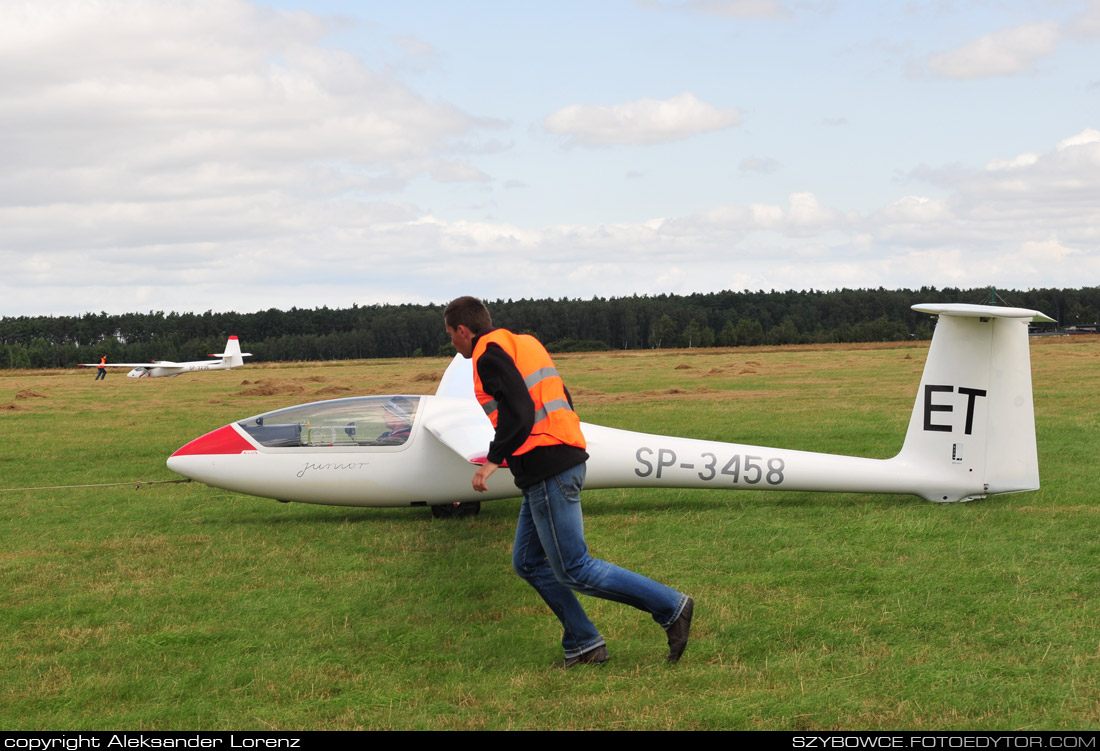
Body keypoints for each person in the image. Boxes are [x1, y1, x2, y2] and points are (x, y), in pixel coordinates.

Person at [444, 296, 693, 667]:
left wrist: (493, 461)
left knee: (575, 567)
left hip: (548, 466)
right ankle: (584, 643)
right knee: (527, 562)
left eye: (451, 336)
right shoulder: (525, 343)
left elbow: (521, 411)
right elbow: (563, 397)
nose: (452, 344)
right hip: (556, 460)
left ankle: (671, 607)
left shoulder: (486, 353)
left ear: (464, 330)